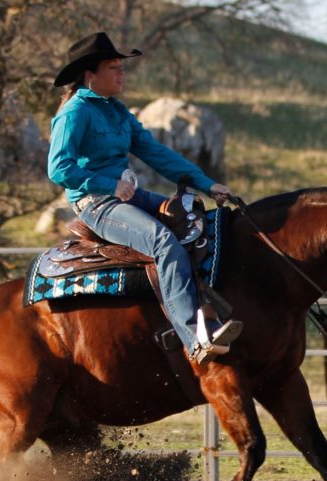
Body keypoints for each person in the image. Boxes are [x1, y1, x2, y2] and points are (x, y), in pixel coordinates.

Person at [47, 32, 242, 364]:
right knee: (163, 241)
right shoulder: (74, 113)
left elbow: (156, 153)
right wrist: (108, 185)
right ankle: (194, 336)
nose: (122, 73)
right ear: (90, 75)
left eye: (122, 67)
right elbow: (58, 168)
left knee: (195, 219)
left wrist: (207, 185)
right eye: (113, 67)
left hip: (127, 195)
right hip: (96, 203)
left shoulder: (116, 111)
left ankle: (211, 309)